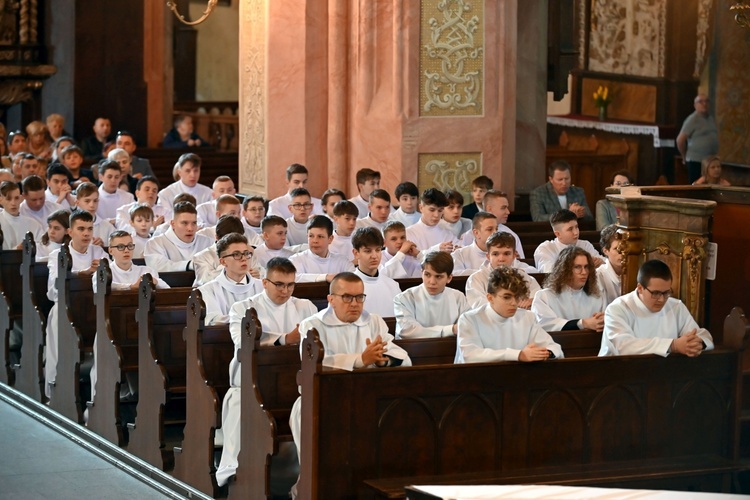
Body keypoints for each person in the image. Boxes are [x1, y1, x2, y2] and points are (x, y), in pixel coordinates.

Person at [289, 273, 412, 482]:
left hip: (367, 400)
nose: (354, 304)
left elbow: (400, 355)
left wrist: (383, 360)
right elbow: (316, 363)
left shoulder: (373, 322)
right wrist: (360, 360)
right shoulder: (313, 325)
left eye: (359, 297)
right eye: (347, 297)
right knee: (323, 463)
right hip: (322, 400)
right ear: (331, 299)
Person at [215, 257, 317, 487]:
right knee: (240, 403)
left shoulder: (306, 307)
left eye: (290, 285)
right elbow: (242, 342)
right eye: (279, 284)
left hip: (295, 382)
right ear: (265, 282)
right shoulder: (243, 308)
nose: (285, 291)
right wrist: (284, 340)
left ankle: (308, 477)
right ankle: (238, 476)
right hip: (254, 383)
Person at [89, 230, 168, 404]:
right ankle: (100, 402)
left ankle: (145, 401)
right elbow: (101, 290)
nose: (126, 250)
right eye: (121, 247)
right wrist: (131, 287)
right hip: (112, 329)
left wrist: (156, 283)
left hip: (144, 330)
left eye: (130, 246)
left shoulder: (146, 270)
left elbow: (167, 291)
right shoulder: (103, 272)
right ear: (111, 250)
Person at [45, 210, 107, 398]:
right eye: (81, 229)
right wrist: (84, 274)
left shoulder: (99, 252)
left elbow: (112, 279)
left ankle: (99, 396)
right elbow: (53, 288)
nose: (86, 233)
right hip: (66, 309)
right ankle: (55, 392)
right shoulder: (58, 255)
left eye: (89, 229)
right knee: (58, 329)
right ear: (70, 232)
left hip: (94, 310)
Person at [599, 259, 714, 357]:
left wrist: (698, 343)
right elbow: (624, 346)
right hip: (616, 373)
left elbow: (702, 335)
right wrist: (673, 345)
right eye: (656, 293)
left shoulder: (676, 307)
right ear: (640, 288)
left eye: (666, 293)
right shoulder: (618, 309)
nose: (662, 299)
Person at [456, 267, 563, 364]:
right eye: (507, 297)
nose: (514, 303)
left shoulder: (528, 317)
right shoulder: (469, 319)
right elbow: (470, 356)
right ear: (490, 298)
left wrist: (545, 353)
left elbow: (555, 349)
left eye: (517, 297)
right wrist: (518, 355)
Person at [394, 251, 469, 339]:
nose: (432, 282)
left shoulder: (459, 297)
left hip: (451, 349)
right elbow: (407, 331)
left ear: (449, 278)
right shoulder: (404, 298)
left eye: (438, 276)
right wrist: (450, 330)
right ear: (422, 273)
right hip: (412, 351)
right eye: (427, 275)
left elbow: (467, 328)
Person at [532, 246, 606, 332]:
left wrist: (602, 320)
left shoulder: (597, 296)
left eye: (586, 267)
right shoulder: (544, 296)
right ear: (564, 270)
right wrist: (583, 323)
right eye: (577, 267)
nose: (584, 272)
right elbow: (545, 324)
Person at [198, 233, 263, 325]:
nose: (244, 258)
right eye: (236, 254)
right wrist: (250, 319)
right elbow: (215, 320)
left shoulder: (263, 287)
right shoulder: (208, 290)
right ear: (223, 261)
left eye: (246, 253)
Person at [465, 231, 540, 309]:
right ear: (488, 256)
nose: (501, 259)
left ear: (514, 256)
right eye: (495, 254)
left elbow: (538, 300)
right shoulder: (476, 279)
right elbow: (478, 306)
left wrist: (532, 301)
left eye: (506, 254)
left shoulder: (524, 277)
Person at [144, 201, 213, 272]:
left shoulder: (208, 242)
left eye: (194, 223)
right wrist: (189, 265)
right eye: (184, 223)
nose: (190, 228)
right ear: (173, 223)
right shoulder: (155, 243)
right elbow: (158, 267)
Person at [351, 227, 401, 317]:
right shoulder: (347, 286)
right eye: (368, 251)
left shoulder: (393, 286)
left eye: (378, 250)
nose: (374, 256)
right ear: (356, 253)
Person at [534, 209, 603, 273]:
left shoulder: (585, 245)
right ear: (558, 234)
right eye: (570, 229)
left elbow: (604, 263)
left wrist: (600, 262)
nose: (576, 232)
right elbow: (548, 271)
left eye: (576, 227)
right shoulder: (545, 248)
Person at [289, 215, 354, 282]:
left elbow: (354, 278)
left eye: (320, 236)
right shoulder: (296, 259)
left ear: (330, 239)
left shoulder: (342, 261)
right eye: (311, 236)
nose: (315, 241)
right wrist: (325, 277)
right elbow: (293, 277)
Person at [193, 214, 248, 286]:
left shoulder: (248, 253)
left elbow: (261, 273)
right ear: (217, 237)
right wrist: (232, 267)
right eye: (228, 242)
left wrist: (256, 274)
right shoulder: (201, 257)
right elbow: (204, 281)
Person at [677, 94, 719, 184]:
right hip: (696, 161)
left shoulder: (710, 118)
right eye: (701, 102)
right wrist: (684, 156)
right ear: (695, 105)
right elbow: (680, 140)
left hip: (709, 162)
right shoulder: (692, 120)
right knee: (696, 186)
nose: (704, 104)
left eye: (707, 101)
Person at [472, 190, 525, 258]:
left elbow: (520, 263)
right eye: (503, 208)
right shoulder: (469, 235)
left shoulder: (511, 235)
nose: (508, 212)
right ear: (489, 209)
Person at [406, 188, 457, 252]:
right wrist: (436, 250)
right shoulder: (409, 233)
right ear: (421, 208)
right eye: (432, 210)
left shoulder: (447, 234)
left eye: (440, 210)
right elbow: (410, 260)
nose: (436, 215)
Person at [0, 181, 45, 249]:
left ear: (21, 199)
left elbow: (43, 248)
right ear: (1, 200)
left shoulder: (34, 224)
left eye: (16, 198)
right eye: (8, 199)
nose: (13, 203)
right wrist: (16, 250)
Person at [73, 182, 116, 246]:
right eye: (87, 201)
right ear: (77, 202)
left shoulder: (107, 227)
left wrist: (103, 248)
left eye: (95, 201)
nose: (92, 205)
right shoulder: (69, 224)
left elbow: (116, 249)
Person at [597, 224, 623, 306]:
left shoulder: (635, 271)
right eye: (617, 249)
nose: (622, 253)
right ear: (605, 251)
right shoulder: (598, 276)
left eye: (624, 248)